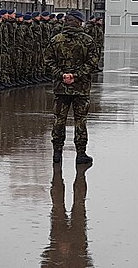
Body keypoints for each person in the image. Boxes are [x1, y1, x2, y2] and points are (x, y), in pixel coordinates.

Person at [44, 10, 99, 164]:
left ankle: (57, 153)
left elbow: (48, 61)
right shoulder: (87, 40)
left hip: (61, 87)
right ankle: (81, 154)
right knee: (80, 120)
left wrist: (62, 75)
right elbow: (93, 62)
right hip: (80, 88)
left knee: (59, 119)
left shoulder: (56, 40)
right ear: (79, 22)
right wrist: (76, 76)